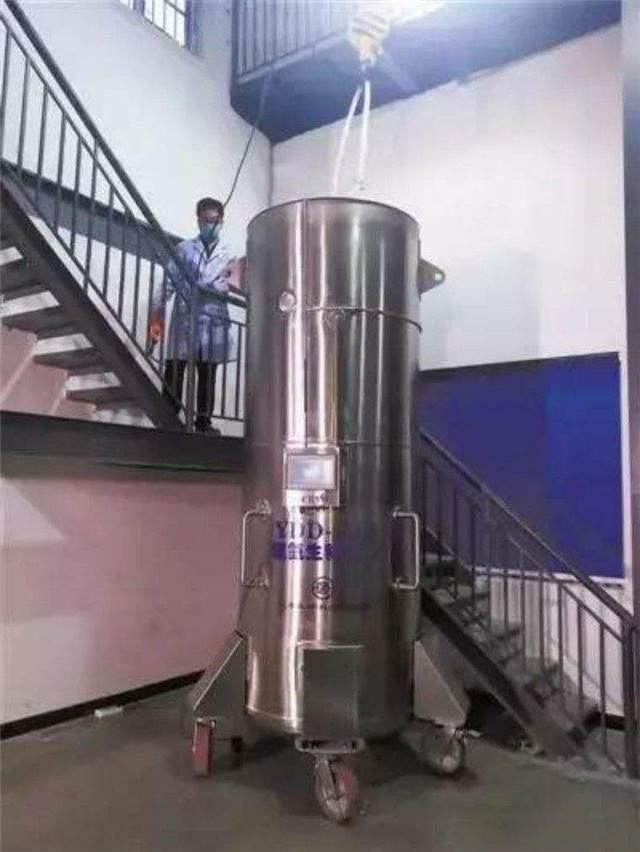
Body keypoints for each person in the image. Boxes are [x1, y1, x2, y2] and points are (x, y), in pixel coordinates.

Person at [149, 197, 235, 433]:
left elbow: (229, 285)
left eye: (214, 221)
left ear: (222, 221)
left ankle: (203, 424)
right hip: (186, 319)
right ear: (198, 221)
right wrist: (156, 320)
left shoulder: (228, 254)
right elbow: (167, 284)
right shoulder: (184, 249)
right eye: (206, 220)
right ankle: (167, 421)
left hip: (213, 321)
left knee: (207, 374)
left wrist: (219, 287)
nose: (210, 225)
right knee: (175, 370)